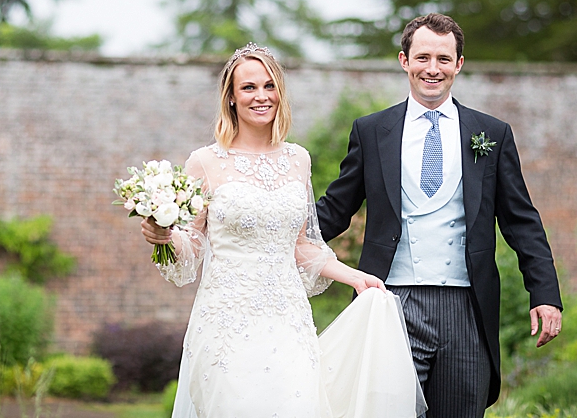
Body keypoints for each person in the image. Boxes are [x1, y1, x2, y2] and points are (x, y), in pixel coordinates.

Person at [139, 43, 424, 418]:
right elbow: (192, 245)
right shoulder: (205, 162)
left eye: (269, 86)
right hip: (227, 324)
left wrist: (356, 278)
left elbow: (301, 246)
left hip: (288, 322)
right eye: (249, 87)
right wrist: (164, 237)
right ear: (231, 98)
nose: (261, 96)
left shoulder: (297, 159)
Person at [316, 13, 564, 418]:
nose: (433, 69)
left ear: (459, 64)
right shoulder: (371, 130)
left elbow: (521, 221)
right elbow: (336, 210)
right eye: (423, 57)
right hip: (391, 300)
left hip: (466, 305)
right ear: (404, 60)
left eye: (444, 59)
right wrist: (279, 232)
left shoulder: (492, 134)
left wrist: (546, 294)